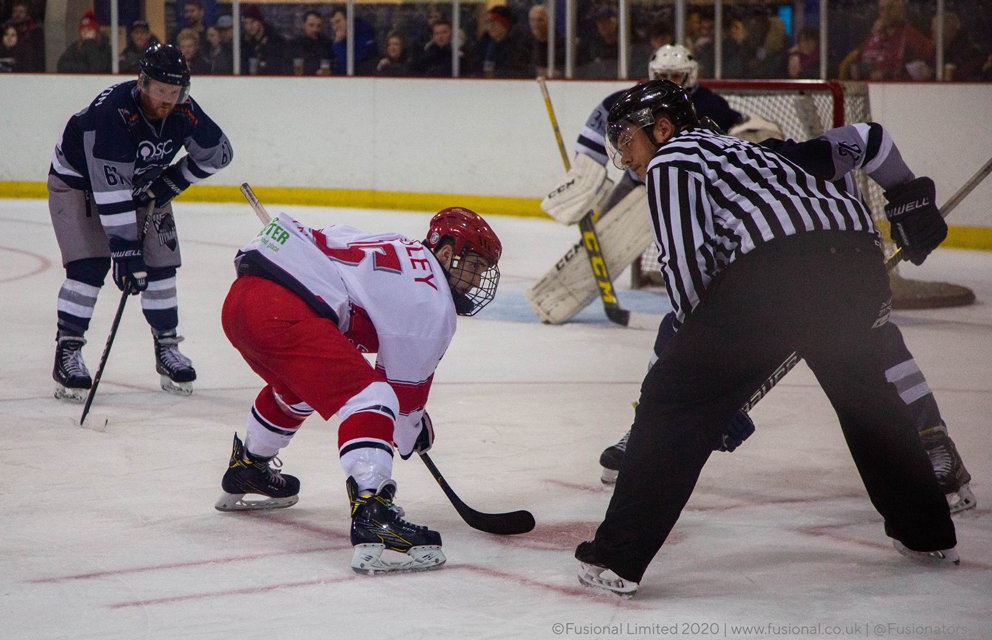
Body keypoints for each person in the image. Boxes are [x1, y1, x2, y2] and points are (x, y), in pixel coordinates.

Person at [574, 80, 957, 597]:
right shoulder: (757, 154)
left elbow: (688, 268)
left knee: (670, 402)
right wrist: (907, 193)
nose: (624, 156)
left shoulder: (673, 160)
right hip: (856, 265)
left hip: (776, 274)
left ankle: (616, 558)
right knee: (867, 399)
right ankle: (930, 535)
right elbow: (868, 137)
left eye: (626, 141)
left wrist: (709, 383)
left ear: (662, 128)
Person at [597, 121, 976, 516]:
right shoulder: (705, 181)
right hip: (771, 279)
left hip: (837, 264)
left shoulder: (776, 160)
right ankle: (647, 432)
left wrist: (906, 192)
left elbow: (869, 139)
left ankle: (933, 441)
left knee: (874, 346)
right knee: (678, 331)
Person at [217, 207, 503, 574]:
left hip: (242, 303)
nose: (477, 281)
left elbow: (319, 236)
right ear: (447, 254)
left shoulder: (398, 246)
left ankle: (249, 467)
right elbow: (400, 409)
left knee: (302, 387)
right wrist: (415, 429)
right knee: (373, 399)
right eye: (474, 267)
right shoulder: (432, 303)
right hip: (281, 311)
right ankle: (373, 513)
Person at [48, 44, 233, 401]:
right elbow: (110, 190)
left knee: (161, 266)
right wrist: (125, 250)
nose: (167, 100)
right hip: (78, 184)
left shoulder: (185, 112)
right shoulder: (113, 114)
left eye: (174, 92)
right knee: (90, 265)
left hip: (142, 181)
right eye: (160, 91)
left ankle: (167, 347)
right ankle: (68, 351)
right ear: (142, 83)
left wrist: (174, 181)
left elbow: (219, 153)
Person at [541, 44, 742, 227]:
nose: (667, 81)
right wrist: (585, 172)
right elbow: (601, 122)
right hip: (639, 181)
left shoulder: (711, 104)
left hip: (689, 186)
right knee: (605, 229)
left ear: (689, 75)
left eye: (675, 76)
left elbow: (735, 134)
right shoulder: (636, 99)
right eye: (662, 74)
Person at [843, 0, 932, 81]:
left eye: (890, 7)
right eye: (882, 9)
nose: (886, 13)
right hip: (868, 90)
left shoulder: (915, 39)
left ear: (902, 9)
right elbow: (855, 64)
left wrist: (887, 75)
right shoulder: (872, 37)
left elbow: (924, 73)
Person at [473, 4, 529, 78]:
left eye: (493, 22)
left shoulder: (518, 45)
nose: (490, 27)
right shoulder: (484, 42)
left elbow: (517, 70)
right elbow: (475, 65)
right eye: (487, 23)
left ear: (505, 24)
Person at [241, 4, 287, 75]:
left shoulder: (277, 42)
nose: (249, 27)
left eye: (252, 22)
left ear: (260, 21)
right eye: (246, 23)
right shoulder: (244, 42)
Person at [330, 7, 378, 75]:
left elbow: (349, 67)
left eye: (338, 22)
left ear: (349, 20)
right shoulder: (341, 40)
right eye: (332, 24)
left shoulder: (365, 36)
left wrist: (338, 44)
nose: (335, 27)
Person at [289, 9, 331, 76]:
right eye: (311, 25)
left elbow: (333, 64)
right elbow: (288, 68)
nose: (315, 29)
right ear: (303, 25)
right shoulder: (294, 45)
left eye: (318, 26)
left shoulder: (327, 44)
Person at [528, 3, 563, 78]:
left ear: (549, 21)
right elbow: (518, 68)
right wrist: (537, 71)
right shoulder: (525, 43)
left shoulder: (562, 44)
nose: (535, 24)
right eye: (532, 20)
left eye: (540, 20)